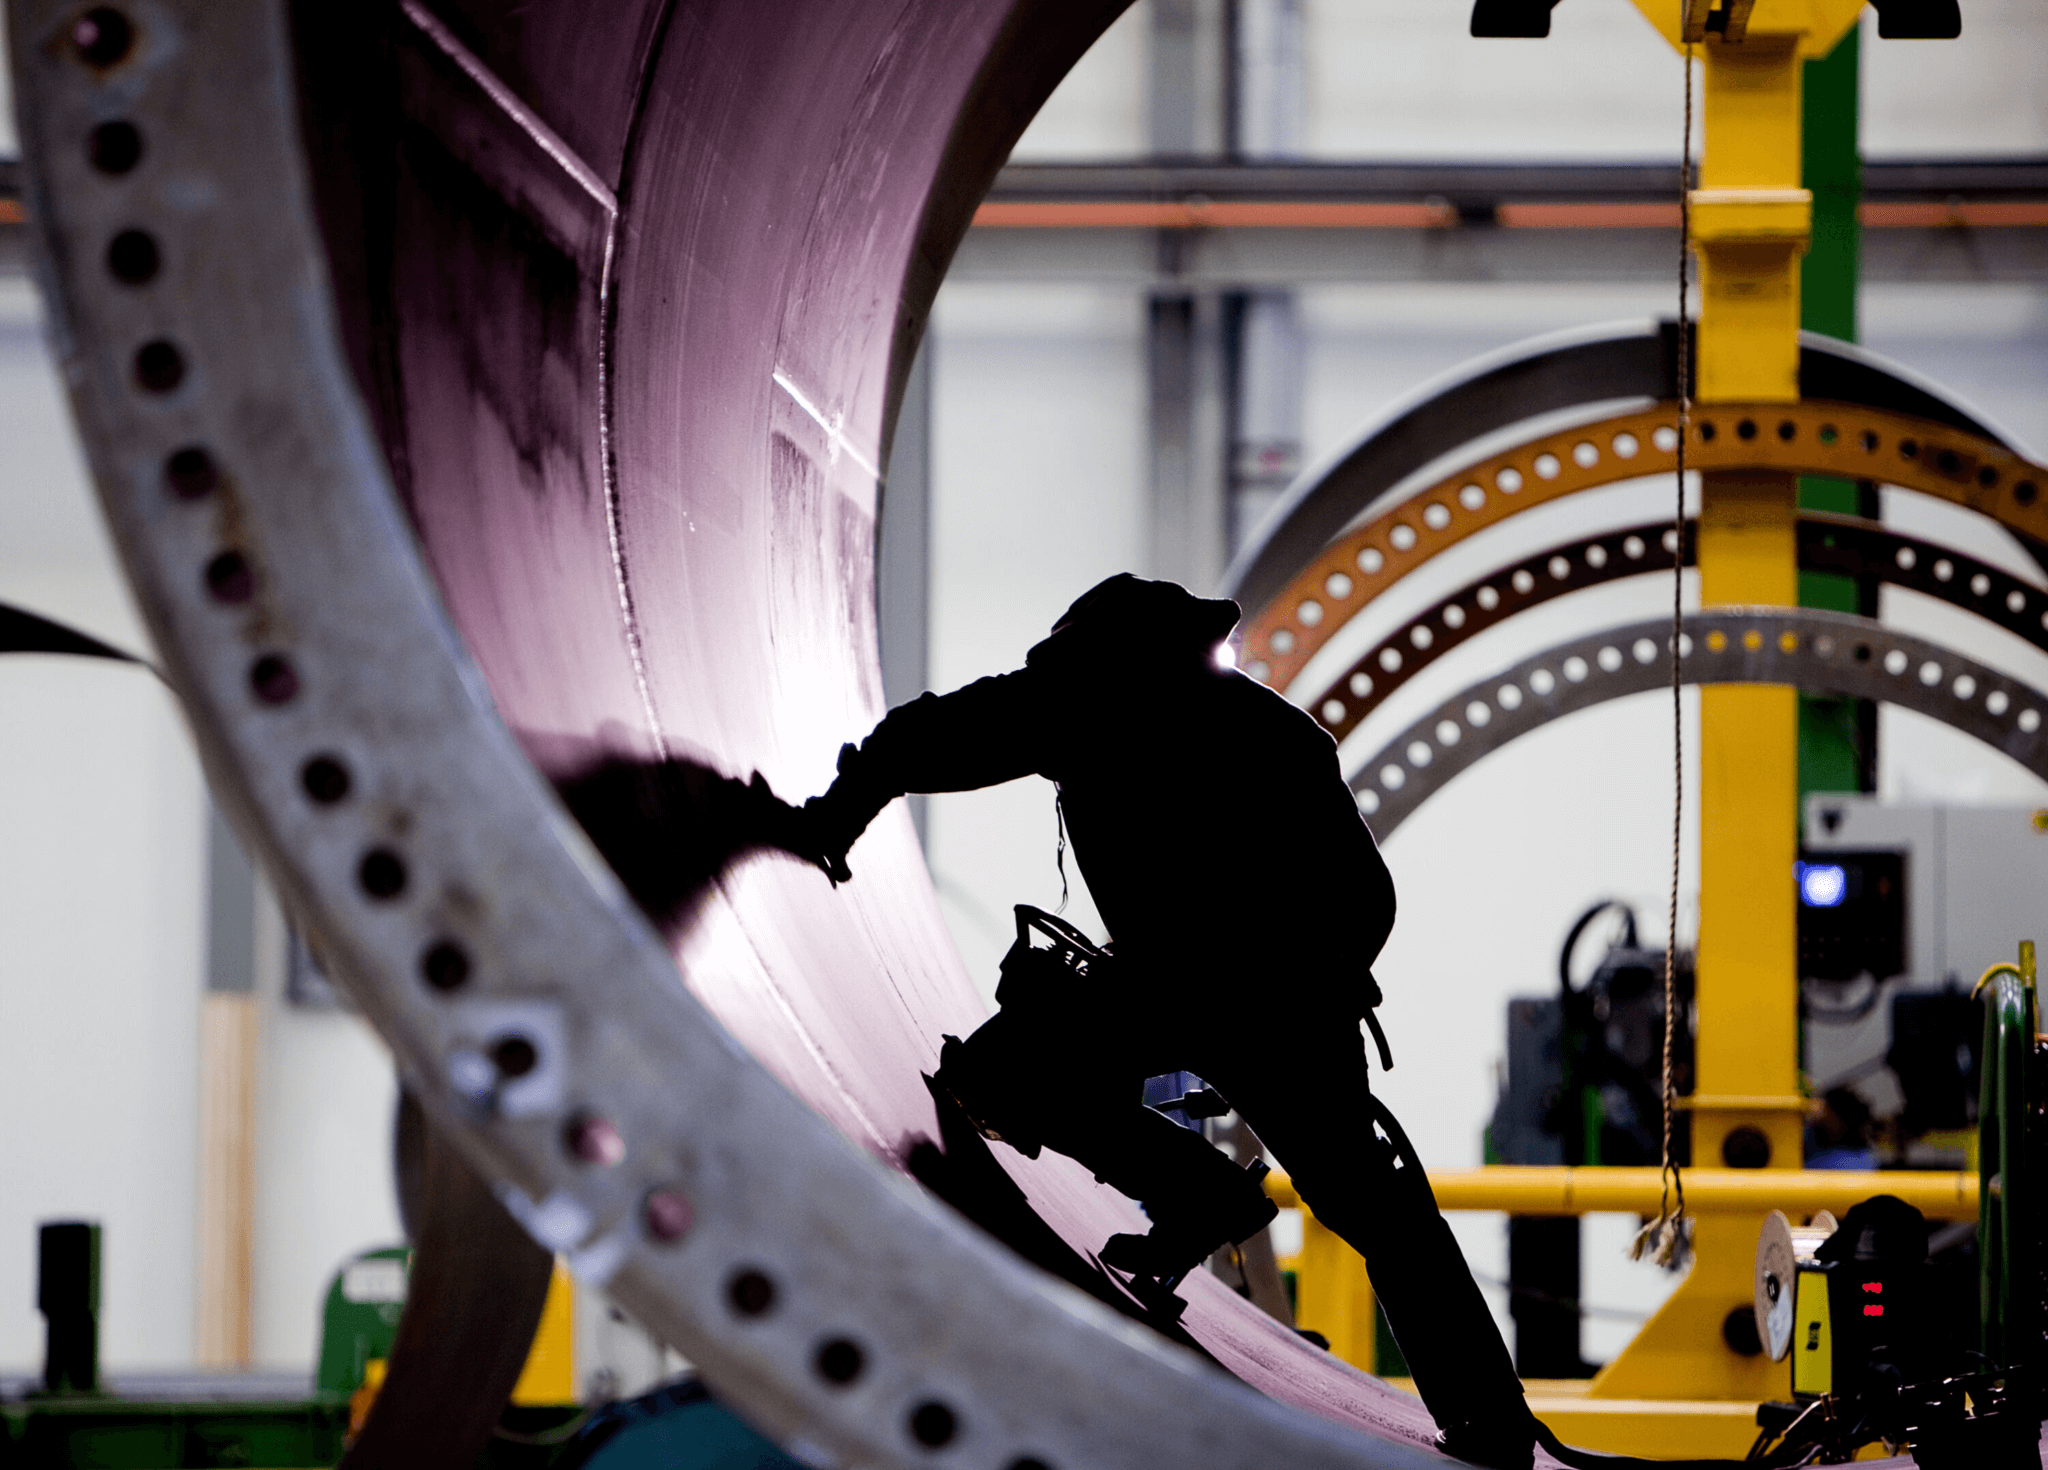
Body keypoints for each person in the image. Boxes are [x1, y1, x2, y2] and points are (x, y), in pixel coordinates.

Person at [783, 574, 1538, 1469]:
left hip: (1197, 989)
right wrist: (1320, 983)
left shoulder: (1081, 700)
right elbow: (1367, 897)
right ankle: (1491, 1420)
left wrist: (832, 820)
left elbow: (926, 739)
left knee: (1000, 1077)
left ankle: (1196, 1191)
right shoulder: (1275, 728)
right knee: (1378, 1208)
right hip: (1289, 1004)